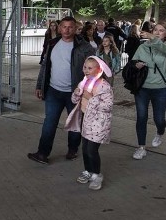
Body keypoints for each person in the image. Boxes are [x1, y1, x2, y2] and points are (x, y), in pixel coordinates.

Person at [28, 16, 94, 164]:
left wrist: (88, 91)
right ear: (59, 28)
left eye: (70, 27)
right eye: (64, 27)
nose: (67, 30)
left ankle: (72, 149)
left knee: (75, 123)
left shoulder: (84, 47)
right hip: (53, 91)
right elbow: (45, 66)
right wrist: (39, 85)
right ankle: (42, 153)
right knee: (49, 122)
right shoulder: (52, 43)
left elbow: (93, 70)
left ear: (76, 28)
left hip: (75, 92)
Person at [64, 56, 114, 190]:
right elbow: (75, 101)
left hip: (99, 123)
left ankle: (97, 175)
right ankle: (88, 171)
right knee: (85, 149)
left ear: (99, 70)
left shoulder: (104, 85)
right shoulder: (84, 82)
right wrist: (76, 94)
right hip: (86, 121)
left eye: (90, 68)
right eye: (85, 67)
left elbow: (108, 106)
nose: (86, 70)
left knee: (92, 150)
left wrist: (90, 98)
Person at [131, 21, 166, 160]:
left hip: (160, 88)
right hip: (143, 88)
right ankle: (141, 147)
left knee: (159, 119)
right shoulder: (142, 47)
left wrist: (152, 38)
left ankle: (160, 131)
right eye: (155, 30)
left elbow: (165, 50)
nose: (157, 33)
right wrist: (136, 65)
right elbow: (133, 62)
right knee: (141, 117)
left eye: (161, 31)